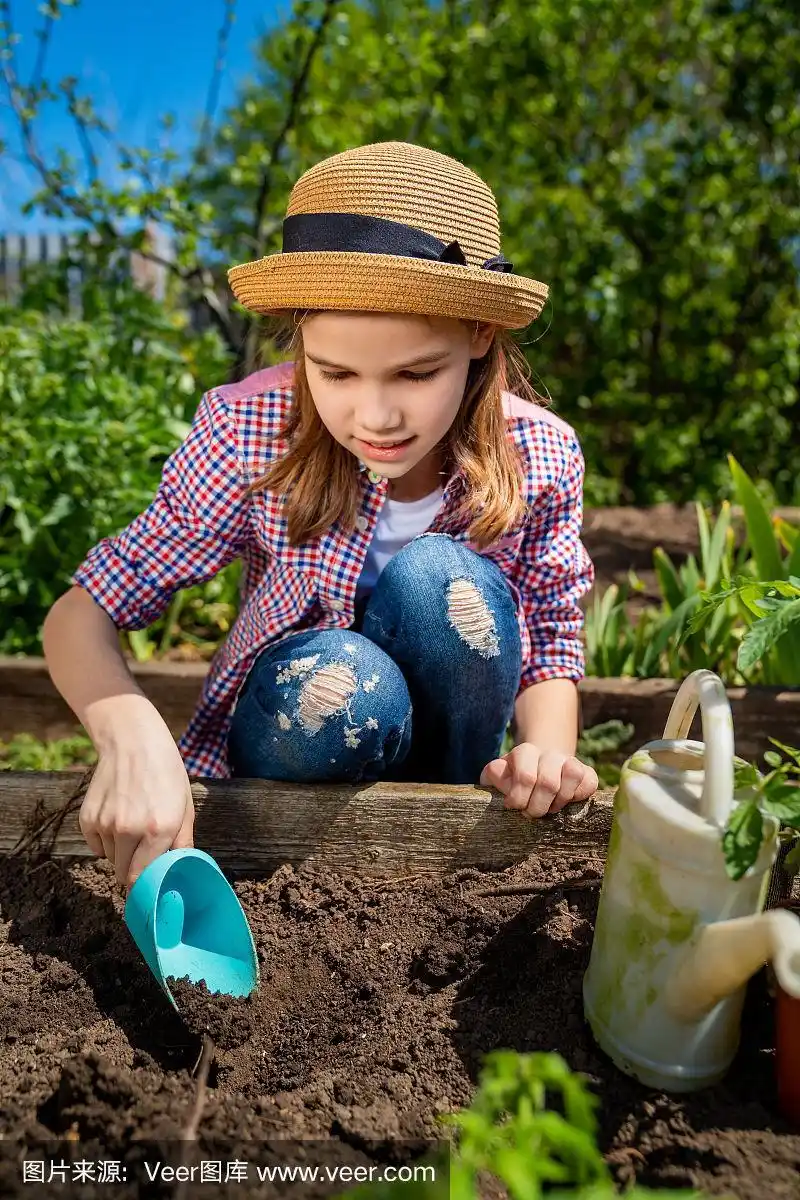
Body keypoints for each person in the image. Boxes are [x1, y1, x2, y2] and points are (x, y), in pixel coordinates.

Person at [43, 140, 598, 890]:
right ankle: (283, 876)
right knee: (341, 678)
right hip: (295, 741)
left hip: (456, 768)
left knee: (444, 581)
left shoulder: (541, 454)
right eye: (335, 372)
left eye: (415, 373)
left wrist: (547, 754)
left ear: (479, 334)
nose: (375, 416)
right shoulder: (250, 429)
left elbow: (552, 635)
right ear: (301, 336)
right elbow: (81, 612)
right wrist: (133, 737)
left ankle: (447, 857)